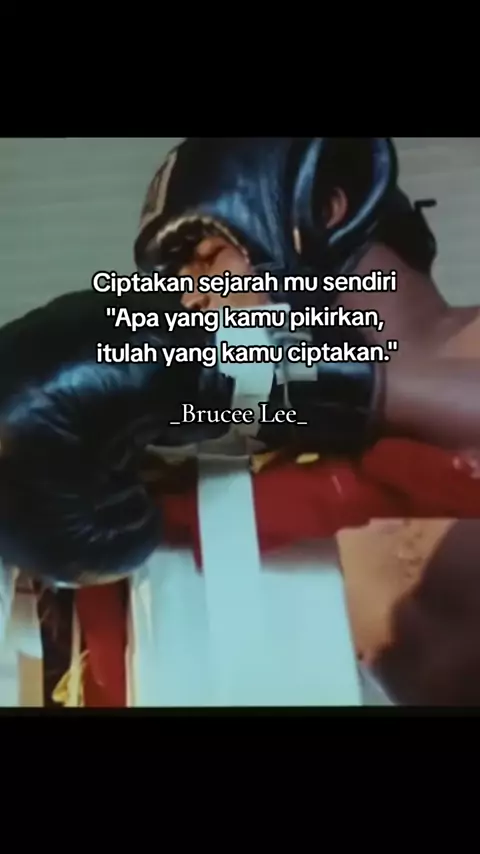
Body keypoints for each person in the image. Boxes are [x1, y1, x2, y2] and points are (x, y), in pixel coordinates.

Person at [132, 136, 480, 706]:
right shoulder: (303, 468)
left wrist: (335, 389)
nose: (192, 299)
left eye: (208, 258)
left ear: (323, 214)